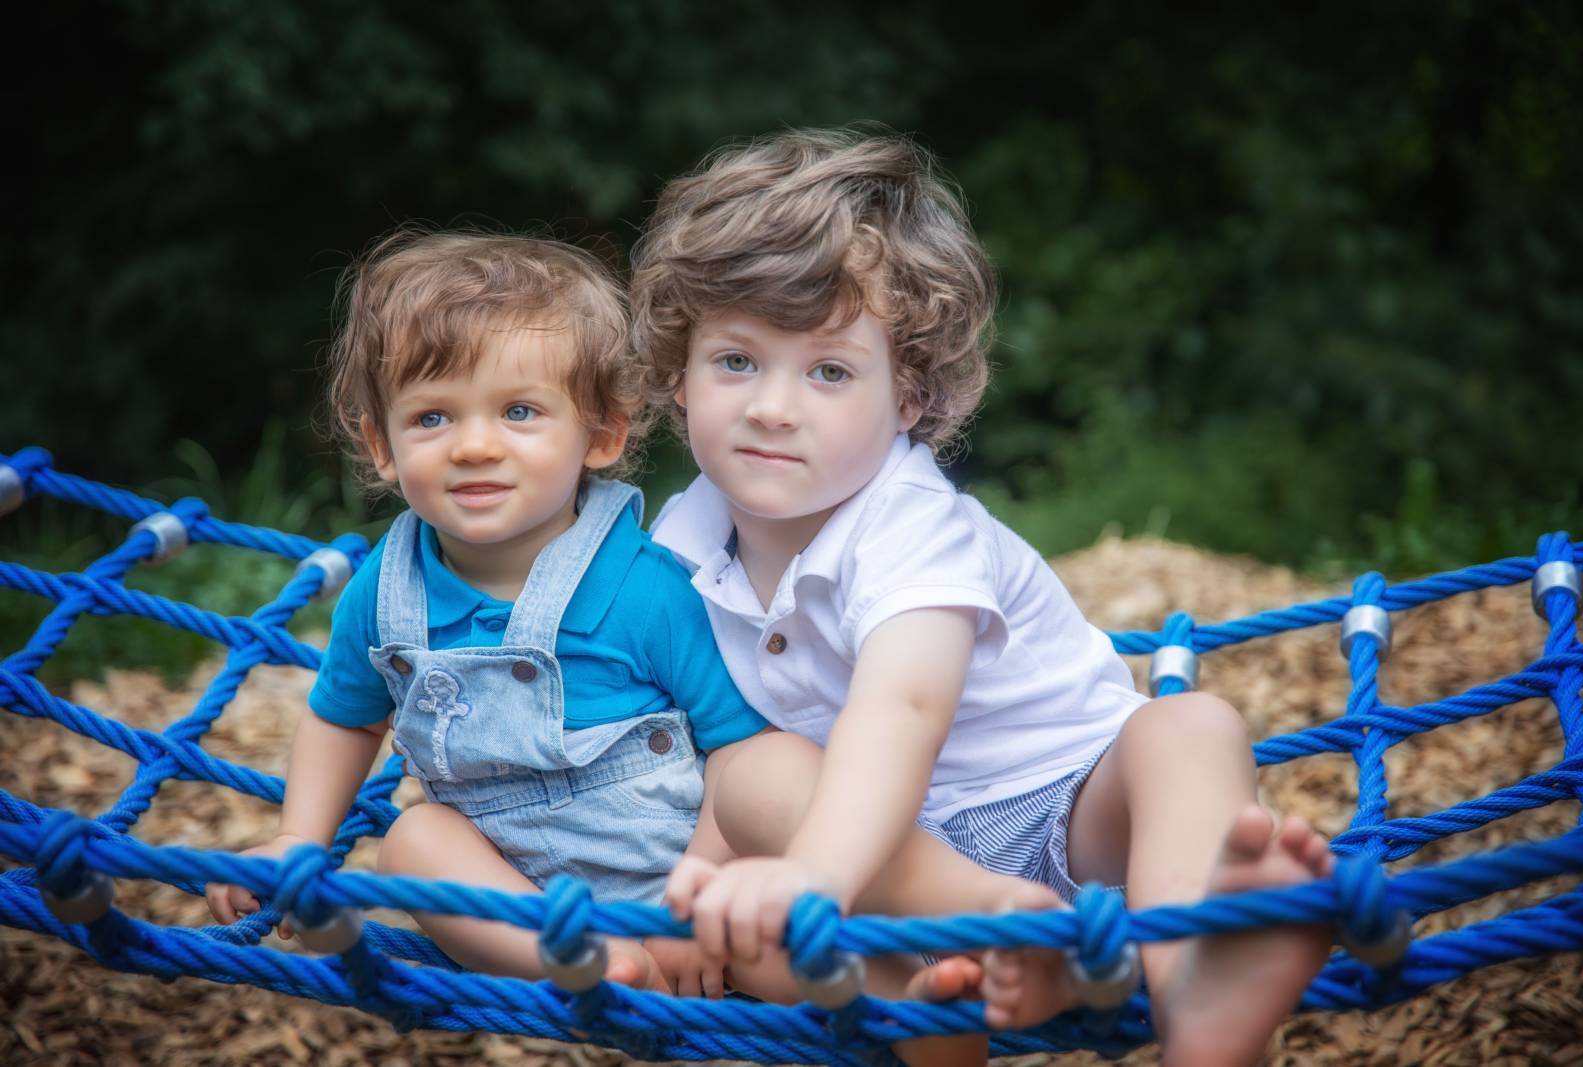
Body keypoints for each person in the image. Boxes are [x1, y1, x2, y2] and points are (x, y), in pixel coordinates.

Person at [632, 127, 1337, 1065]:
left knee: (1189, 727)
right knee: (752, 792)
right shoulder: (675, 546)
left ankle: (1191, 981)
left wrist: (809, 877)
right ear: (679, 373)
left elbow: (903, 710)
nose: (771, 405)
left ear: (911, 395)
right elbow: (708, 737)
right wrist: (695, 886)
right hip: (892, 881)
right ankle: (941, 1001)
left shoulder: (911, 526)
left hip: (1074, 815)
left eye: (829, 371)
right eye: (736, 361)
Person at [205, 229, 766, 997]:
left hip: (688, 881)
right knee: (411, 841)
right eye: (432, 417)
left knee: (817, 970)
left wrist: (701, 895)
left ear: (599, 434)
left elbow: (740, 752)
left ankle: (924, 990)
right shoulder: (385, 588)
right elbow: (345, 716)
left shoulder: (645, 587)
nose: (473, 446)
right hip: (516, 889)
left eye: (519, 411)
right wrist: (298, 839)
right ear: (381, 445)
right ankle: (587, 963)